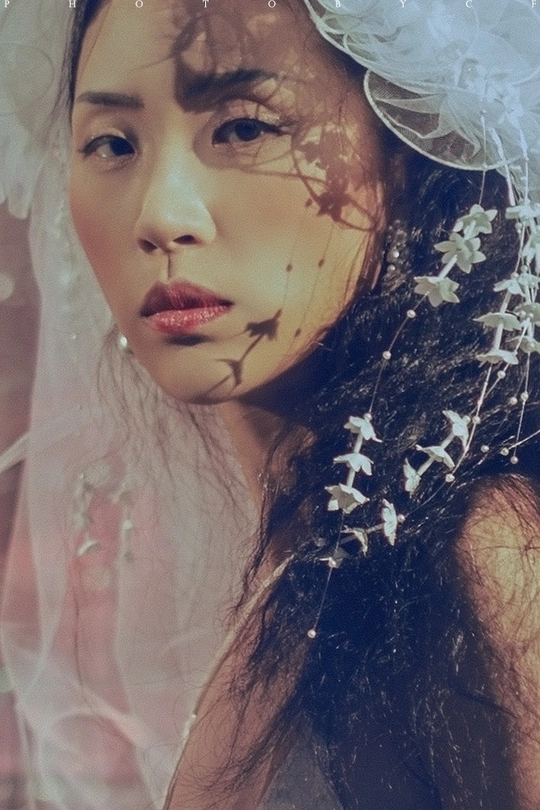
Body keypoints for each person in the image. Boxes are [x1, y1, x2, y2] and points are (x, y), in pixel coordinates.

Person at [1, 0, 540, 808]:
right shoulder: (296, 573)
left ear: (413, 151)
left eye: (244, 128)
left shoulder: (486, 553)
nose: (160, 216)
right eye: (112, 143)